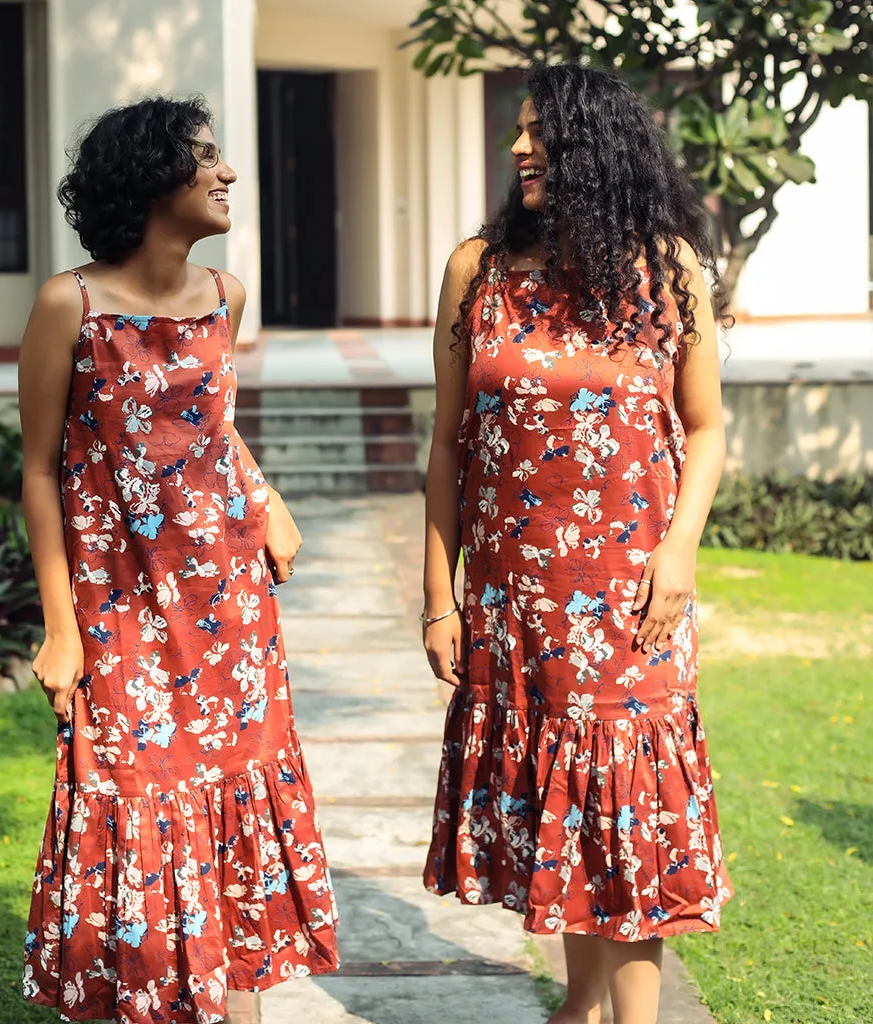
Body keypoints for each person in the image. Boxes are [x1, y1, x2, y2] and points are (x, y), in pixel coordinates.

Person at [421, 64, 733, 1024]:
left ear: (598, 151)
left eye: (540, 134)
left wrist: (679, 551)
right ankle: (580, 1000)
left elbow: (708, 427)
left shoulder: (668, 270)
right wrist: (441, 595)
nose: (519, 149)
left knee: (624, 805)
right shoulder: (477, 271)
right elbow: (448, 442)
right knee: (565, 795)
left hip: (632, 591)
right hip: (518, 594)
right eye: (517, 133)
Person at [17, 96, 338, 1024]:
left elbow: (212, 429)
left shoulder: (226, 295)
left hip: (229, 601)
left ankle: (234, 1004)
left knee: (233, 791)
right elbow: (39, 470)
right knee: (135, 794)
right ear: (155, 178)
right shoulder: (66, 304)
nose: (229, 172)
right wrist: (59, 628)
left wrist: (266, 495)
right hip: (119, 605)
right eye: (206, 157)